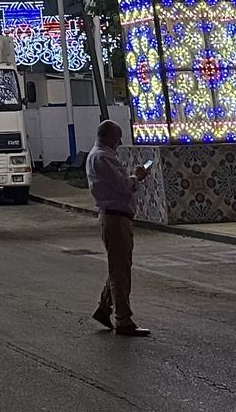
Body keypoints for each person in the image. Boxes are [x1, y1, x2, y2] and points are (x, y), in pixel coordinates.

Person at [85, 118, 153, 337]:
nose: (119, 141)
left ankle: (105, 308)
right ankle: (123, 320)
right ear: (108, 137)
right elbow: (123, 185)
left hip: (116, 217)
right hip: (115, 218)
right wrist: (137, 177)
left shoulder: (100, 156)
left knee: (119, 266)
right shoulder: (102, 158)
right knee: (120, 271)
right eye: (117, 137)